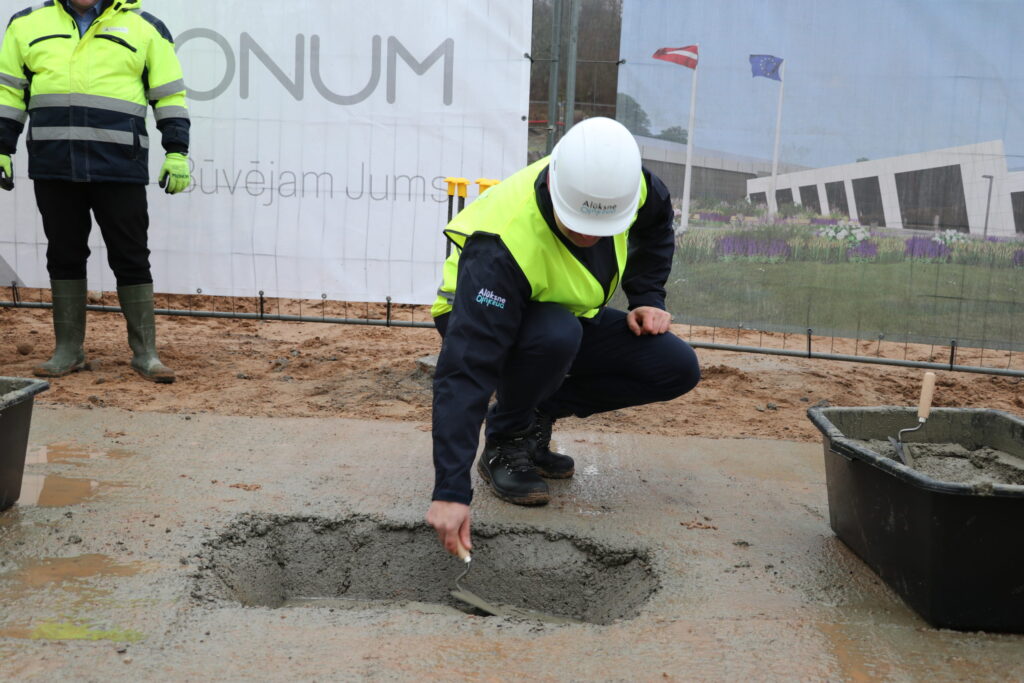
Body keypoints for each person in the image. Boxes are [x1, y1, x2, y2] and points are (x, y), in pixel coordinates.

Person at [426, 117, 701, 556]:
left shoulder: (629, 184)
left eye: (601, 226)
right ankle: (506, 441)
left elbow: (655, 226)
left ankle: (534, 413)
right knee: (555, 335)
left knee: (675, 367)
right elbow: (465, 370)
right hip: (479, 315)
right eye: (577, 224)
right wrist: (450, 490)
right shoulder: (501, 243)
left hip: (567, 316)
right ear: (555, 184)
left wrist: (647, 296)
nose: (588, 235)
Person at [0, 0, 191, 383]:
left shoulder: (146, 27)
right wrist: (2, 146)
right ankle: (68, 350)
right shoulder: (26, 24)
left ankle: (145, 354)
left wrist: (176, 151)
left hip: (120, 164)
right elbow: (8, 92)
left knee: (131, 255)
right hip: (55, 163)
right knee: (64, 254)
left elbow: (169, 95)